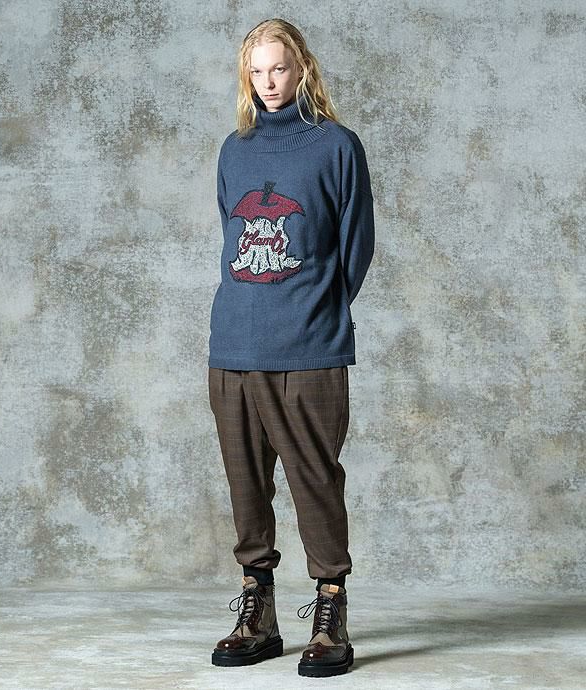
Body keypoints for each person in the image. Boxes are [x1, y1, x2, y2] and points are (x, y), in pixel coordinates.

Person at [208, 18, 375, 678]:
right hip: (234, 345)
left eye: (278, 68)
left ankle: (330, 611)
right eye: (257, 71)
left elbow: (355, 246)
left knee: (315, 483)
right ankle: (259, 611)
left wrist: (316, 311)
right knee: (246, 486)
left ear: (302, 67)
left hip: (309, 348)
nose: (268, 82)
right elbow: (231, 232)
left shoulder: (336, 146)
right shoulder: (235, 149)